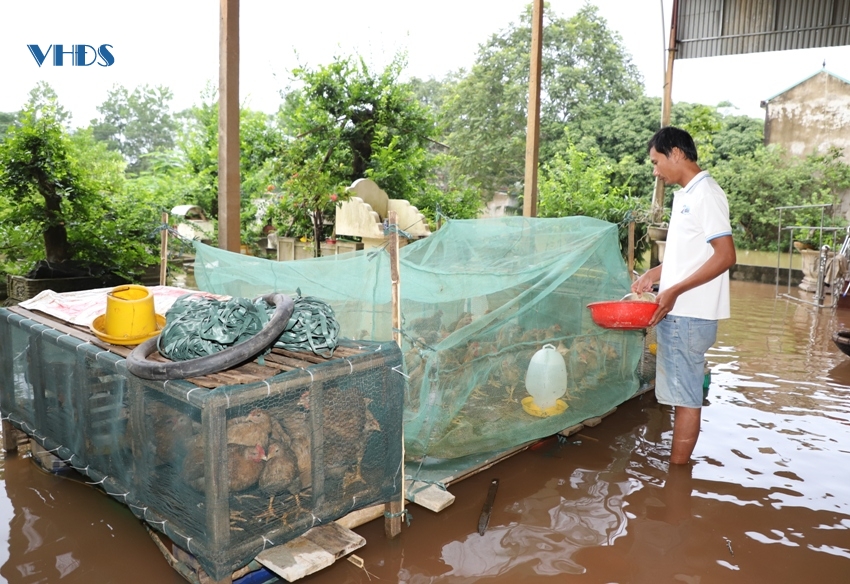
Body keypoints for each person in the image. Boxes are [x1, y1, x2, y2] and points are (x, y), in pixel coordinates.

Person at [632, 126, 736, 465]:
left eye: (656, 161)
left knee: (687, 398)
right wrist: (655, 274)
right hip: (680, 313)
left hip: (690, 315)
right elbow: (687, 257)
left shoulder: (706, 194)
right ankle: (676, 469)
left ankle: (676, 476)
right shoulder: (686, 196)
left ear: (676, 153)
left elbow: (725, 256)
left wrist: (674, 290)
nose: (655, 170)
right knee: (681, 395)